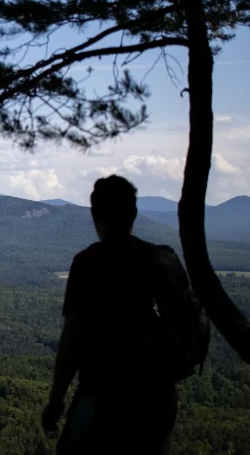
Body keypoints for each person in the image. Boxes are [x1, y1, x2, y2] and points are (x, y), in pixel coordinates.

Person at [40, 175, 189, 455]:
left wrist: (56, 401)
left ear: (96, 215)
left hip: (102, 392)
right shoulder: (163, 259)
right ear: (133, 212)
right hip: (158, 397)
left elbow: (72, 339)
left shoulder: (88, 263)